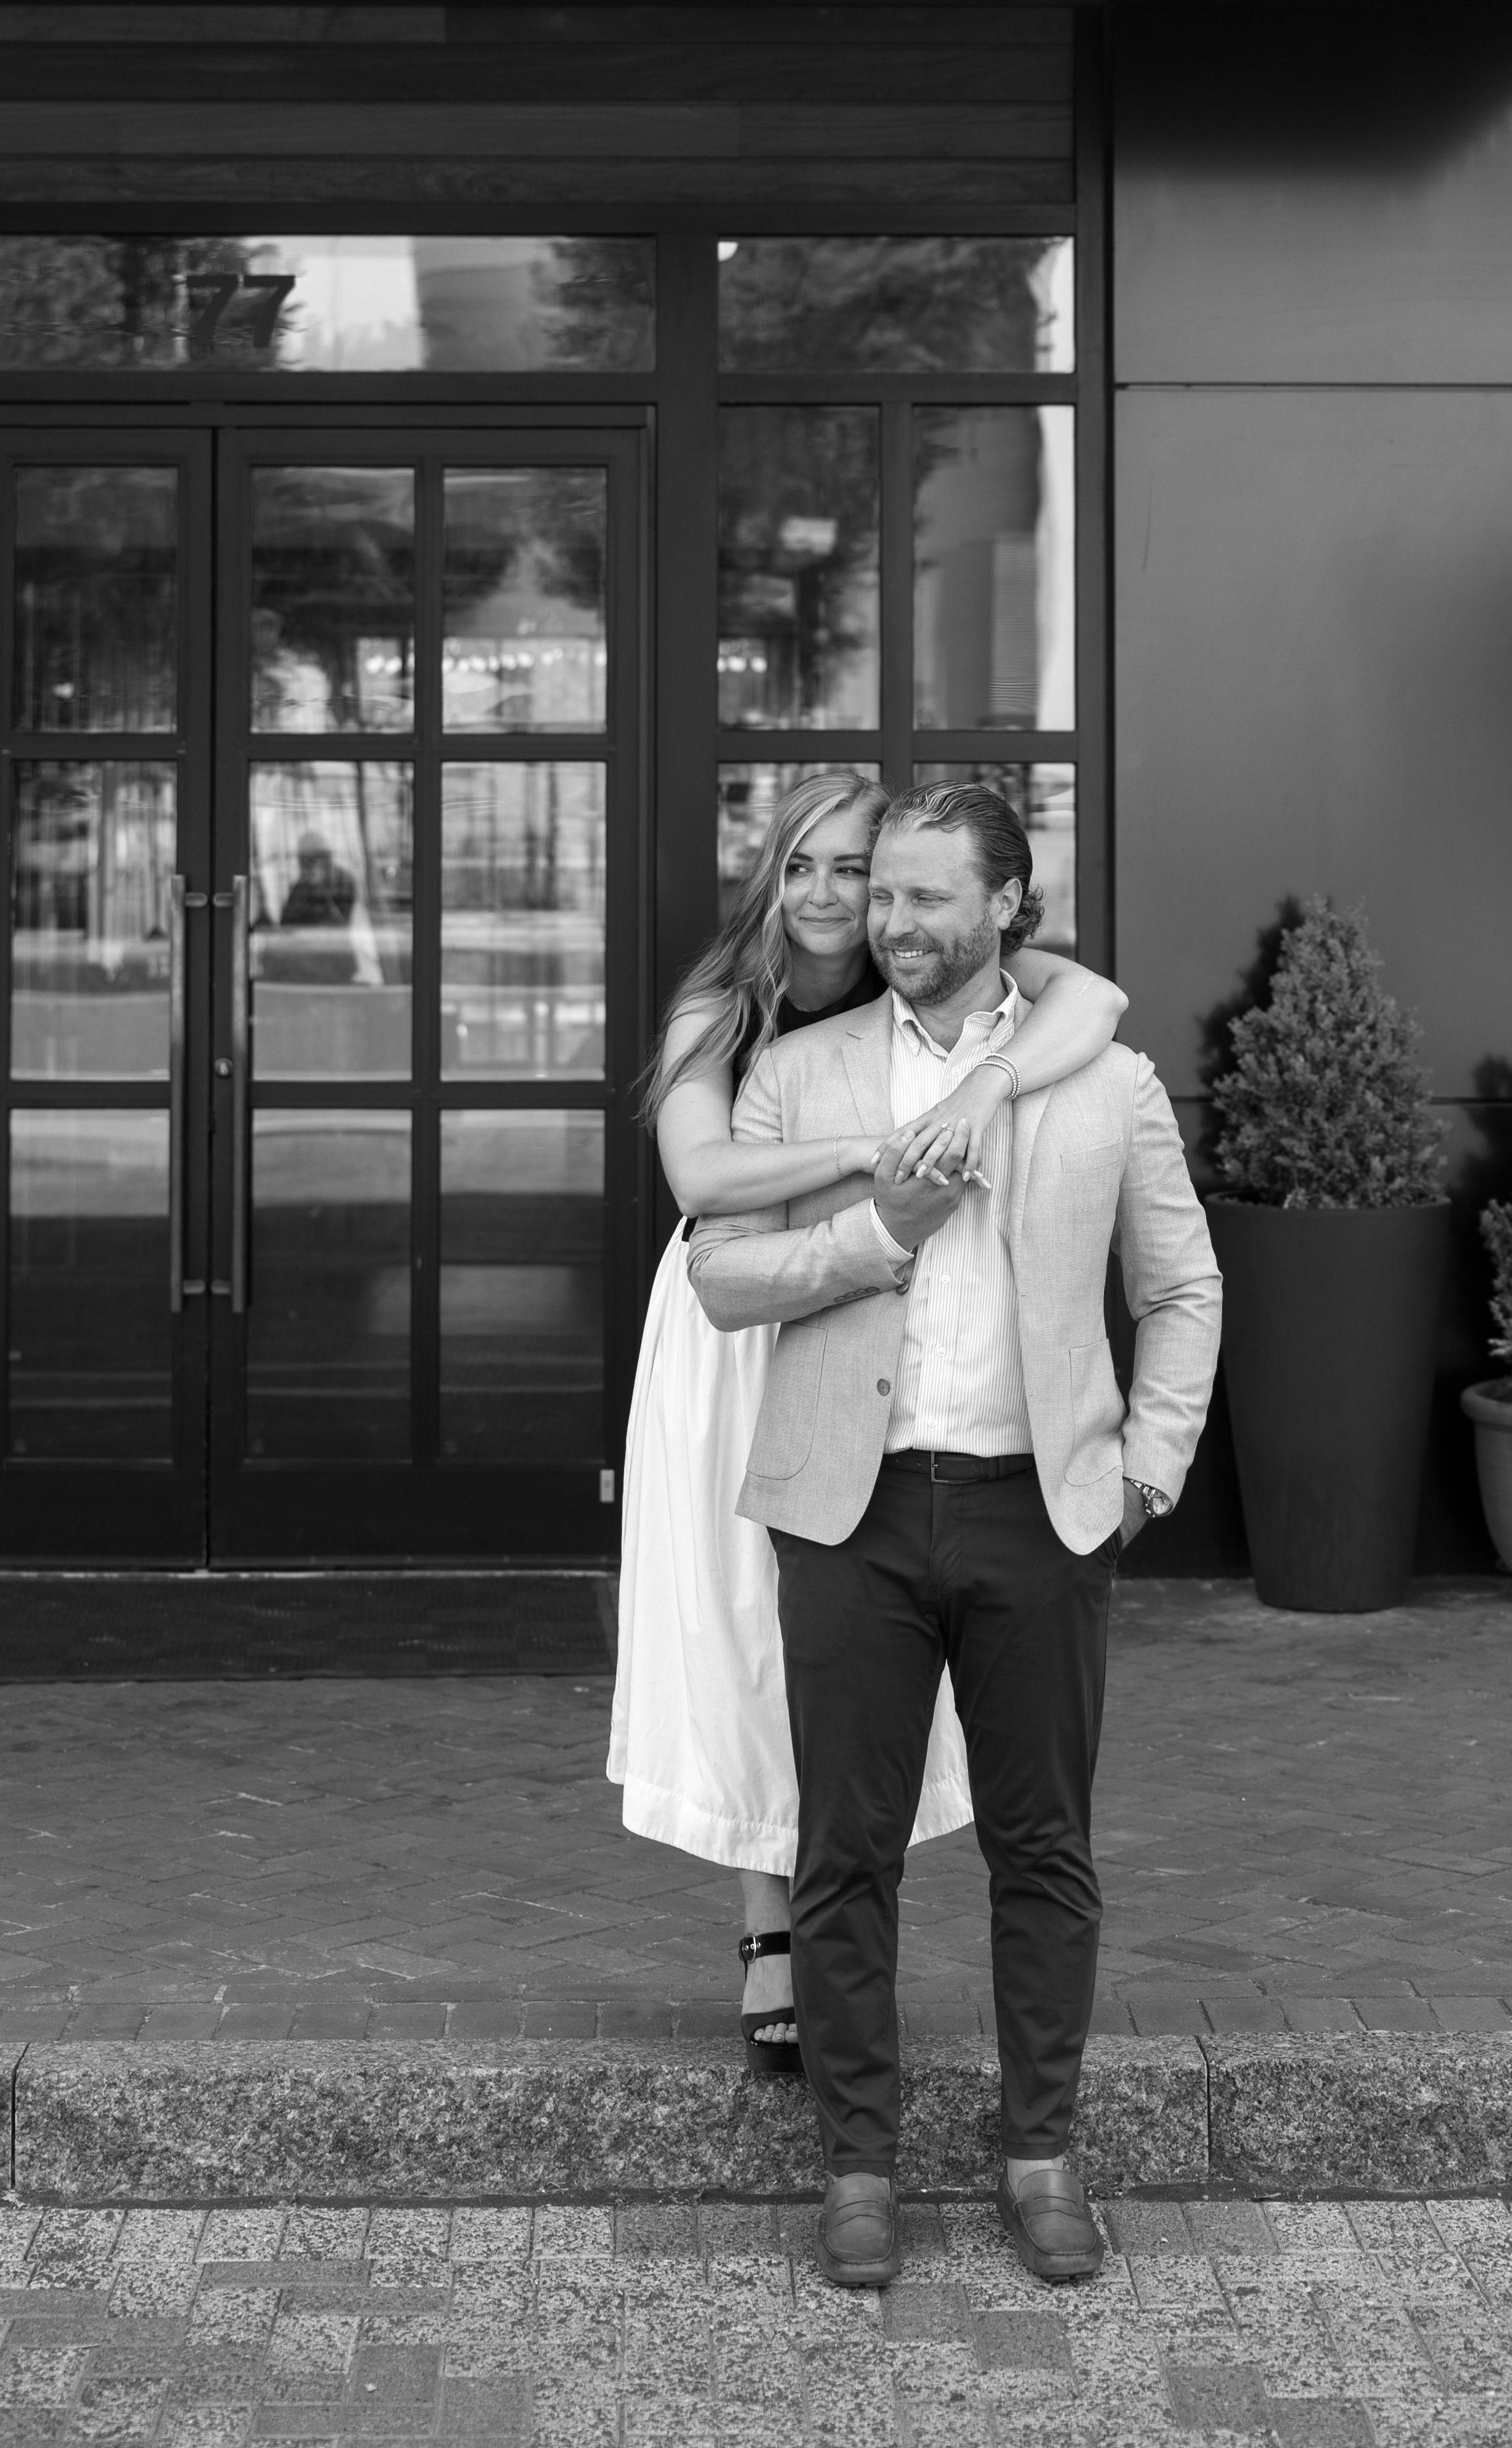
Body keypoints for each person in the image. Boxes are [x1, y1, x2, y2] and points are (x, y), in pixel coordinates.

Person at [688, 782, 1220, 2298]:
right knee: (841, 1852)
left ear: (1005, 905)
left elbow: (1181, 1287)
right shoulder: (799, 1071)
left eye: (926, 894)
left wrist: (1147, 1468)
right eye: (883, 893)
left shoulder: (1102, 1080)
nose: (891, 920)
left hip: (1036, 1512)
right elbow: (724, 1277)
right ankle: (858, 2166)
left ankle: (1040, 2154)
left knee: (1040, 1847)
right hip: (845, 1513)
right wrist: (878, 1234)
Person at [607, 770, 1130, 2077]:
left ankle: (837, 1902)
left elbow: (1097, 1006)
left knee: (841, 1632)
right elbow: (701, 1173)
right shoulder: (725, 1006)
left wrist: (983, 1082)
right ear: (770, 878)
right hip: (739, 1329)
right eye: (805, 866)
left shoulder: (936, 971)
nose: (834, 894)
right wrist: (873, 1146)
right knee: (744, 1615)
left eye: (859, 867)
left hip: (877, 1328)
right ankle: (766, 1928)